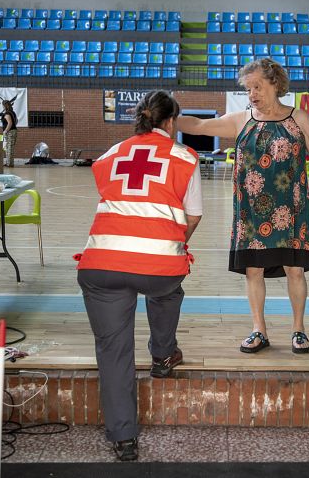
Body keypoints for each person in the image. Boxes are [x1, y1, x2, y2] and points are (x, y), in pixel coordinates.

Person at [176, 58, 309, 355]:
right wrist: (164, 119)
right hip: (250, 213)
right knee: (253, 271)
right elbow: (199, 125)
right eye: (248, 88)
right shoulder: (242, 120)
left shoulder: (298, 118)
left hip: (290, 210)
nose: (252, 93)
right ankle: (258, 330)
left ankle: (299, 330)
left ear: (275, 84)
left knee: (295, 270)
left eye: (257, 86)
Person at [75, 90, 202, 462]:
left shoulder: (111, 154)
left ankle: (124, 439)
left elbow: (113, 196)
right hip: (159, 266)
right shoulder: (185, 157)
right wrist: (172, 243)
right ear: (171, 122)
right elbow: (192, 216)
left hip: (101, 264)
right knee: (167, 290)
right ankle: (163, 356)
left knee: (113, 350)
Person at [1, 99, 18, 167]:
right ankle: (8, 162)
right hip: (13, 131)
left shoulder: (7, 113)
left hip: (10, 132)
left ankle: (10, 163)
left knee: (9, 148)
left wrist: (5, 131)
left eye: (2, 105)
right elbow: (16, 121)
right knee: (9, 147)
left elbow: (10, 123)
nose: (2, 107)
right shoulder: (12, 112)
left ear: (5, 106)